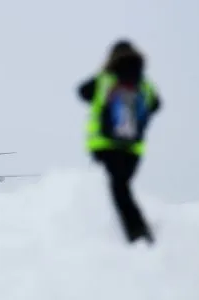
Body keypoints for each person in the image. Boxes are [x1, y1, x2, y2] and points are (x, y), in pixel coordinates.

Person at [77, 39, 162, 244]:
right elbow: (156, 105)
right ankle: (133, 232)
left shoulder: (105, 79)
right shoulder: (144, 84)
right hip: (133, 149)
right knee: (121, 186)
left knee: (117, 188)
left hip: (105, 146)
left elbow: (82, 92)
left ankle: (137, 233)